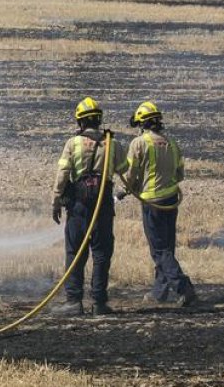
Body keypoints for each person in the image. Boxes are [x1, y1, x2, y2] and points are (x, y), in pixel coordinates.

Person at [51, 97, 127, 315]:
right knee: (102, 253)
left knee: (75, 252)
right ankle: (100, 303)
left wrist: (56, 202)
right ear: (99, 120)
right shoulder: (112, 143)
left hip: (78, 205)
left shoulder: (72, 144)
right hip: (103, 204)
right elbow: (126, 171)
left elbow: (62, 175)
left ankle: (74, 302)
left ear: (80, 122)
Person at [125, 101, 197, 307]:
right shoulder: (172, 144)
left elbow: (131, 174)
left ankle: (184, 288)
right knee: (167, 247)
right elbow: (180, 174)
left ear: (142, 123)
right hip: (171, 201)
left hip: (152, 202)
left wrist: (128, 189)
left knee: (159, 250)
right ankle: (159, 292)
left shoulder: (139, 143)